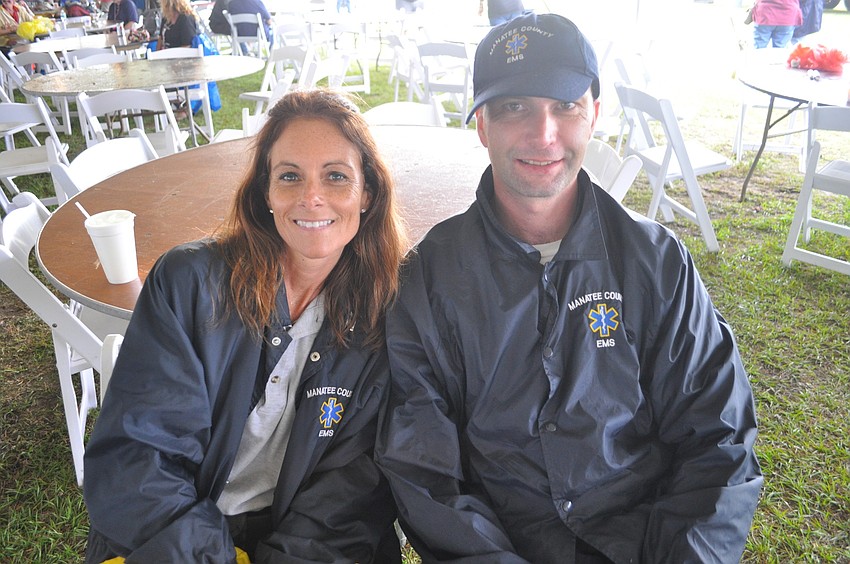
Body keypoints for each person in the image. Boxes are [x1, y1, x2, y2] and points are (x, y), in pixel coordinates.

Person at [375, 12, 763, 563]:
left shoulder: (655, 263)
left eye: (565, 106)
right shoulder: (429, 280)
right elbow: (426, 475)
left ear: (594, 116)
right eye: (515, 108)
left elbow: (719, 440)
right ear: (482, 124)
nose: (543, 134)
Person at [83, 89, 408, 563]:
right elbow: (139, 458)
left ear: (367, 194)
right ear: (266, 194)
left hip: (302, 537)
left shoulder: (383, 311)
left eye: (336, 176)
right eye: (289, 176)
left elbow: (351, 490)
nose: (311, 197)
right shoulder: (190, 284)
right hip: (175, 535)